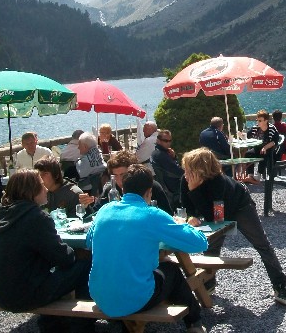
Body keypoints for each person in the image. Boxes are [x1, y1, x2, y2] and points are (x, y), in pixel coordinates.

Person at [87, 164, 208, 333]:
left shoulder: (104, 210)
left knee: (136, 271)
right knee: (171, 269)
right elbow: (200, 243)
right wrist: (183, 225)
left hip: (101, 298)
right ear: (149, 191)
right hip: (134, 300)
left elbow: (88, 241)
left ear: (123, 188)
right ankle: (193, 323)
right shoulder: (151, 214)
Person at [180, 147, 286, 306]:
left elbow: (216, 218)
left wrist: (194, 190)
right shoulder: (185, 179)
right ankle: (208, 282)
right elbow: (186, 205)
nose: (186, 173)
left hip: (240, 206)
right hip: (219, 212)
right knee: (211, 248)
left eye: (189, 169)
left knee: (262, 245)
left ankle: (280, 284)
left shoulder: (218, 181)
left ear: (202, 170)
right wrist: (191, 215)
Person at [0, 169, 92, 333]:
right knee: (85, 265)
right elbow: (63, 258)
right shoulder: (35, 217)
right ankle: (81, 326)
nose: (45, 189)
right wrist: (76, 252)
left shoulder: (5, 214)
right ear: (32, 191)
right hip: (24, 295)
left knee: (58, 272)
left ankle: (52, 322)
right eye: (42, 186)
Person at [96, 151, 172, 214]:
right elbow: (95, 213)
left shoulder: (151, 186)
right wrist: (86, 206)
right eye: (115, 175)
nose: (119, 180)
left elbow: (168, 215)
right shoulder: (111, 190)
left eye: (123, 175)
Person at [151, 130, 183, 209]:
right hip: (172, 185)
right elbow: (178, 171)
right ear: (158, 141)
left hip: (167, 183)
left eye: (170, 141)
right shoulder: (161, 155)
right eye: (165, 141)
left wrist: (174, 157)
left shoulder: (158, 153)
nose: (168, 143)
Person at [245, 109, 280, 179]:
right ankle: (250, 174)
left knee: (264, 153)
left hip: (269, 150)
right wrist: (241, 135)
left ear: (266, 121)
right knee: (248, 153)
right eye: (257, 120)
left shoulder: (272, 129)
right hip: (257, 148)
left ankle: (258, 174)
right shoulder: (255, 128)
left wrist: (265, 147)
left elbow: (274, 142)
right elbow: (247, 137)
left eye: (260, 120)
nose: (258, 122)